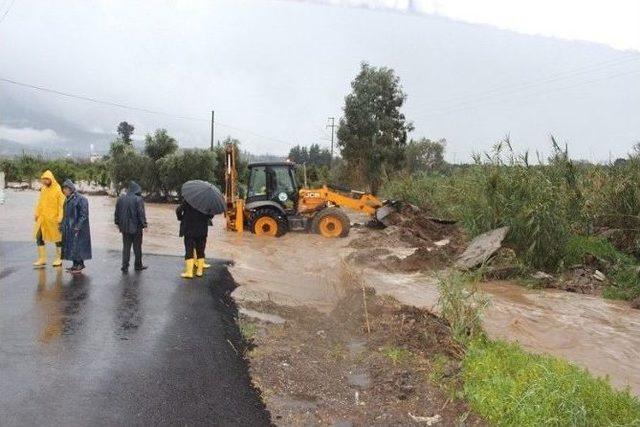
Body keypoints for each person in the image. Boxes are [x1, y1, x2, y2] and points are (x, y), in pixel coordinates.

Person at [33, 170, 65, 268]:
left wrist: (60, 218)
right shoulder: (43, 189)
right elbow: (40, 202)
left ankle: (59, 258)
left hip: (54, 219)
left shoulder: (58, 189)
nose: (45, 181)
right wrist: (36, 213)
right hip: (43, 219)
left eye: (47, 179)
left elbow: (61, 205)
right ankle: (42, 259)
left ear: (51, 179)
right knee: (38, 237)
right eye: (43, 179)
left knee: (58, 239)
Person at [115, 181, 148, 273]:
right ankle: (138, 266)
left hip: (124, 228)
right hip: (136, 228)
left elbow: (117, 213)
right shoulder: (138, 199)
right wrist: (145, 225)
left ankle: (124, 266)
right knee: (137, 247)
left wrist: (117, 223)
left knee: (126, 247)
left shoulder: (120, 199)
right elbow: (141, 213)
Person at [60, 179, 92, 273]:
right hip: (69, 227)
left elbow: (84, 215)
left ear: (70, 189)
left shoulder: (81, 199)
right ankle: (75, 265)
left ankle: (80, 265)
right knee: (71, 246)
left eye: (65, 189)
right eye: (63, 189)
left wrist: (78, 226)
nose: (64, 191)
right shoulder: (67, 200)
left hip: (78, 228)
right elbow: (65, 214)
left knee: (78, 246)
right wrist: (62, 225)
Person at [176, 200, 212, 279]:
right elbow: (211, 215)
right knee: (200, 250)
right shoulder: (206, 202)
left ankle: (189, 272)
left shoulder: (188, 200)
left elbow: (178, 210)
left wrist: (181, 218)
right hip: (202, 230)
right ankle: (199, 271)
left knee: (189, 250)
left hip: (189, 229)